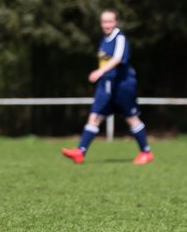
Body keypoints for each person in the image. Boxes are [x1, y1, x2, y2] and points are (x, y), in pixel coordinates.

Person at [61, 10, 153, 165]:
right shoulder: (104, 39)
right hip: (106, 85)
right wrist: (103, 75)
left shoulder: (120, 38)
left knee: (131, 118)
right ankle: (80, 152)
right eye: (104, 22)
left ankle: (146, 152)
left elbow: (118, 58)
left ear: (115, 22)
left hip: (123, 85)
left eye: (110, 21)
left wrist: (100, 71)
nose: (107, 25)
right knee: (94, 116)